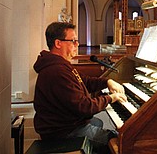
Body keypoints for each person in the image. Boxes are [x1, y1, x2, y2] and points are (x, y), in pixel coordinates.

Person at [33, 22, 127, 154]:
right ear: (58, 43)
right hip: (63, 131)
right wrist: (111, 98)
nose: (77, 44)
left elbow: (85, 81)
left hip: (67, 123)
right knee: (118, 140)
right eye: (73, 41)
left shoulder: (60, 65)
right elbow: (85, 107)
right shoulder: (57, 71)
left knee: (98, 122)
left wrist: (108, 82)